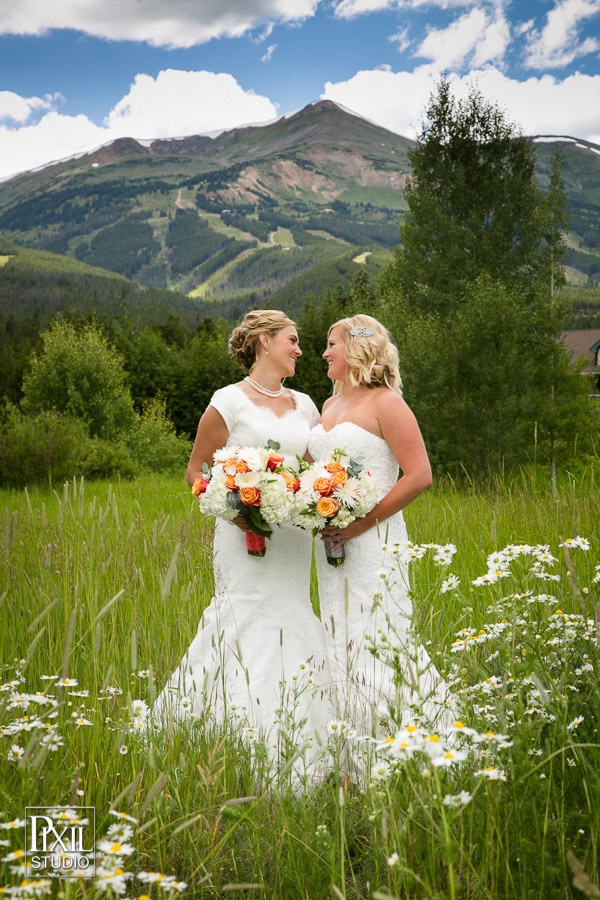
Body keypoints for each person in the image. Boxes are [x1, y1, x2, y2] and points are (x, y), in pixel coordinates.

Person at [154, 310, 332, 780]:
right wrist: (237, 512)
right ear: (264, 342)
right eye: (293, 340)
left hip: (292, 540)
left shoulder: (307, 405)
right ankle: (232, 738)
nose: (299, 349)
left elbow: (317, 472)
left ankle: (299, 741)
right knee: (242, 620)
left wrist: (322, 499)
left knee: (292, 618)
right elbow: (196, 471)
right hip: (242, 535)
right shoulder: (227, 403)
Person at [307, 314, 452, 752]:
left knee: (378, 634)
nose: (324, 353)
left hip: (373, 539)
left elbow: (420, 474)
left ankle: (403, 743)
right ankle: (350, 748)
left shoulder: (387, 403)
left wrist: (361, 523)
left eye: (331, 344)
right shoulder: (328, 407)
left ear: (354, 349)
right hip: (332, 538)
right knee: (339, 632)